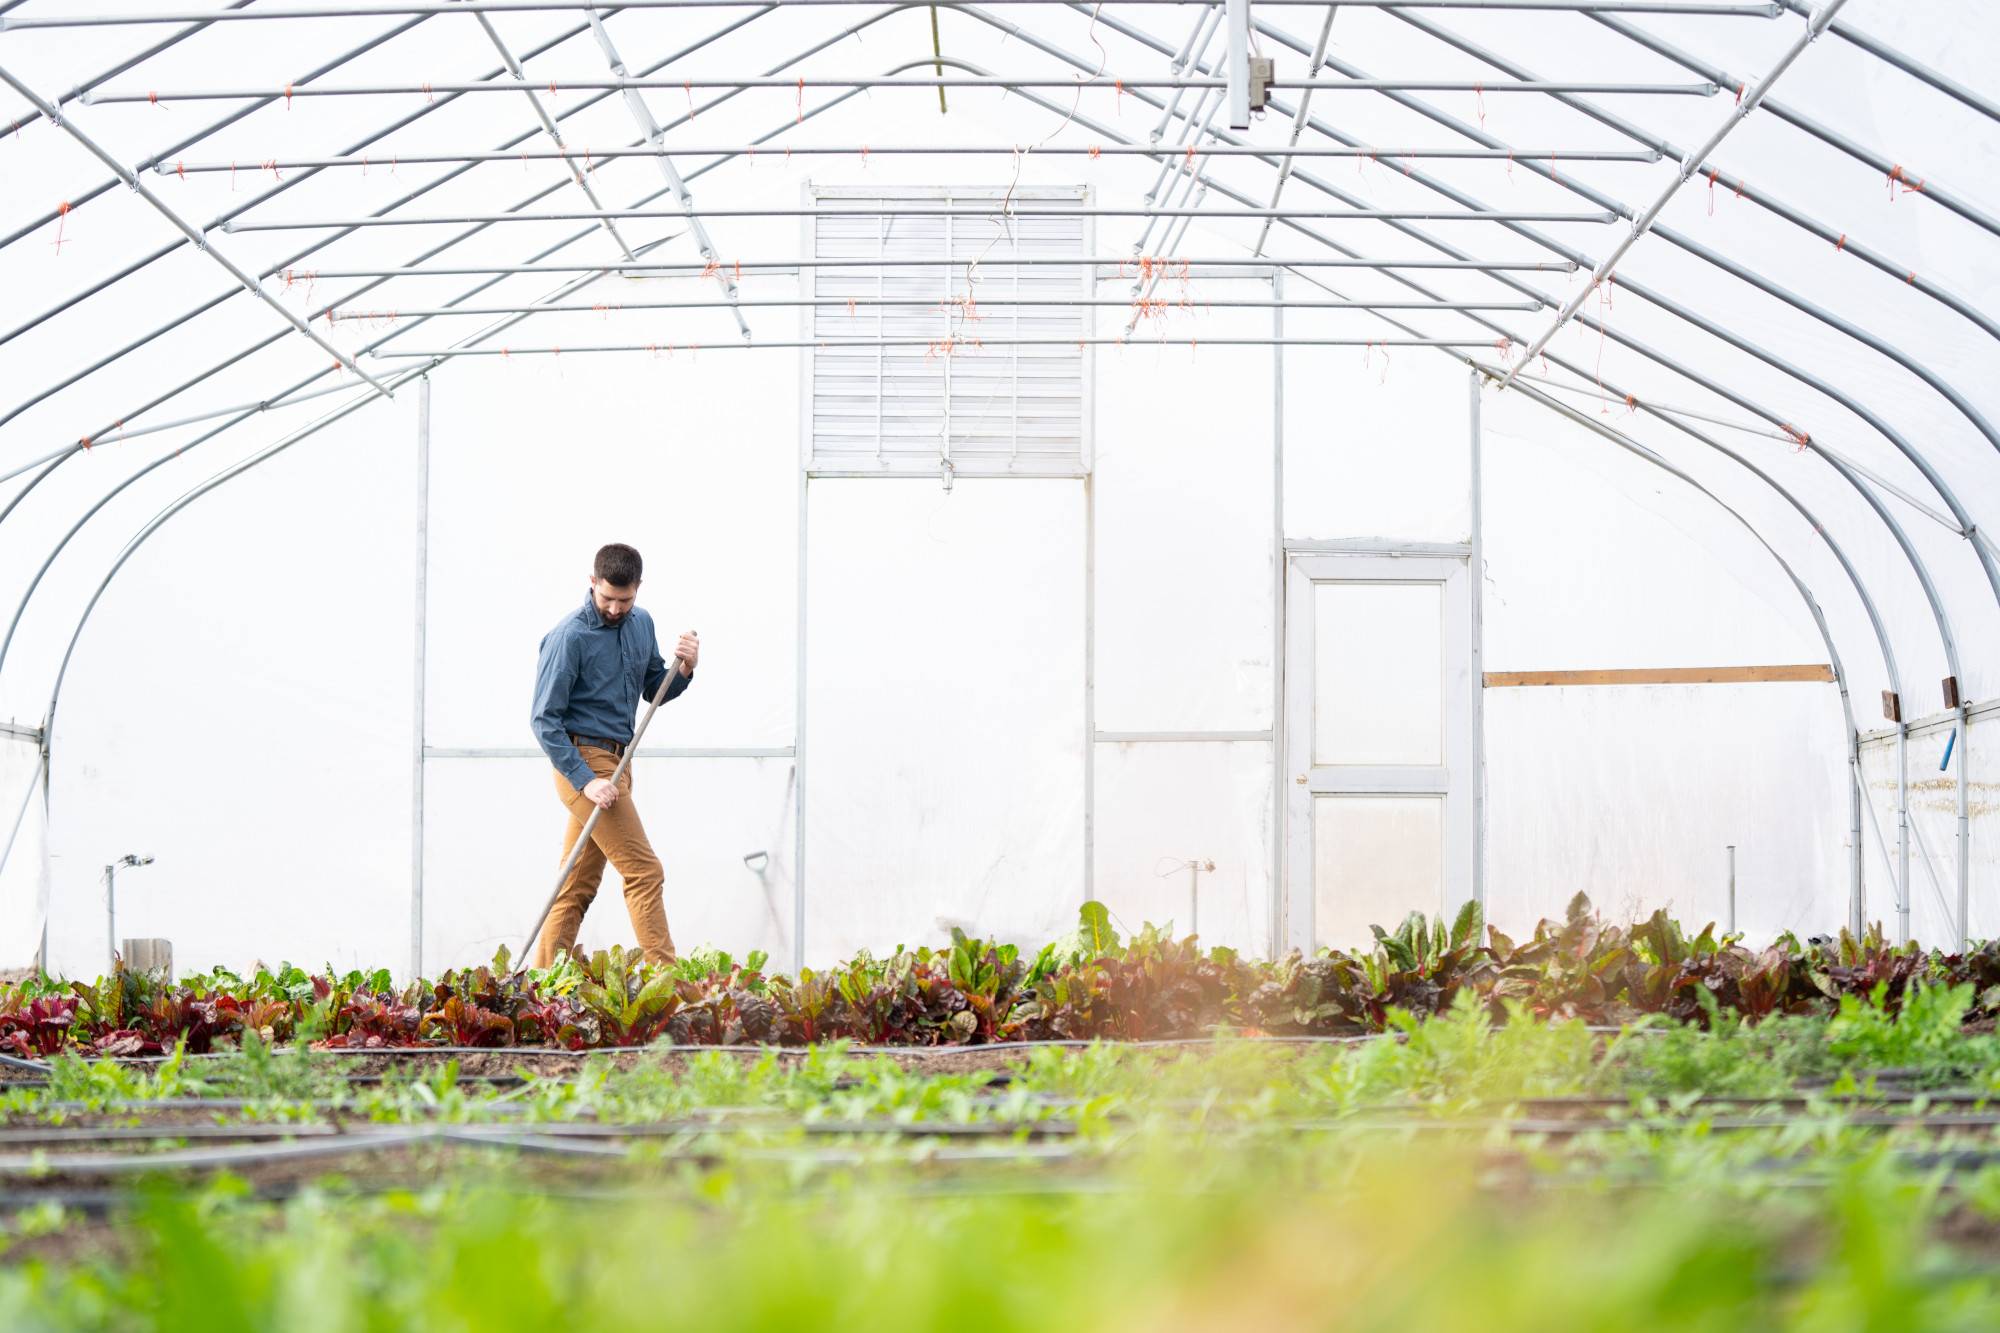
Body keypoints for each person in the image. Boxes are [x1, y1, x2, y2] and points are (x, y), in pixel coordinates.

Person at [529, 542, 699, 967]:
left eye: (625, 599)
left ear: (638, 589)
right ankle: (670, 986)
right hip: (583, 763)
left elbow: (653, 689)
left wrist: (683, 669)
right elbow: (544, 720)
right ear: (592, 583)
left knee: (575, 885)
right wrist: (586, 780)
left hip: (619, 765)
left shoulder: (642, 624)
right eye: (607, 598)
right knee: (645, 872)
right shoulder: (570, 637)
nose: (616, 608)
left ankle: (541, 987)